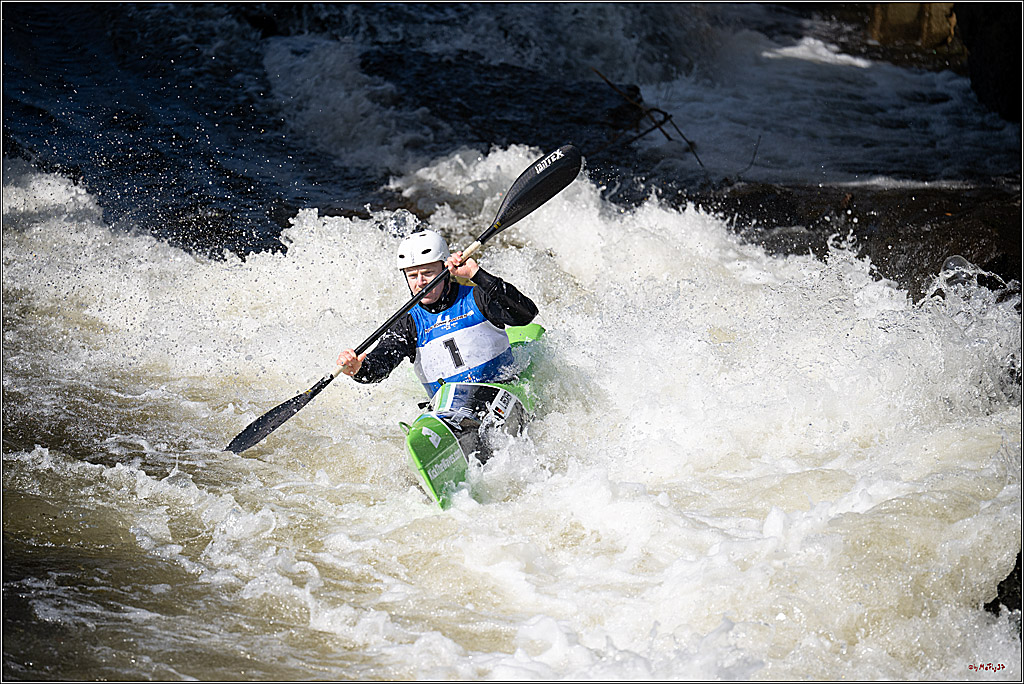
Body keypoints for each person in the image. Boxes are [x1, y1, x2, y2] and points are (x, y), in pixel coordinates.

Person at [336, 229, 538, 398]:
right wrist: (360, 369)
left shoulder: (478, 298)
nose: (420, 282)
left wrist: (478, 275)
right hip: (450, 410)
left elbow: (526, 314)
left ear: (445, 269)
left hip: (501, 391)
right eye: (413, 276)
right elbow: (383, 361)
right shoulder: (407, 323)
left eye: (428, 273)